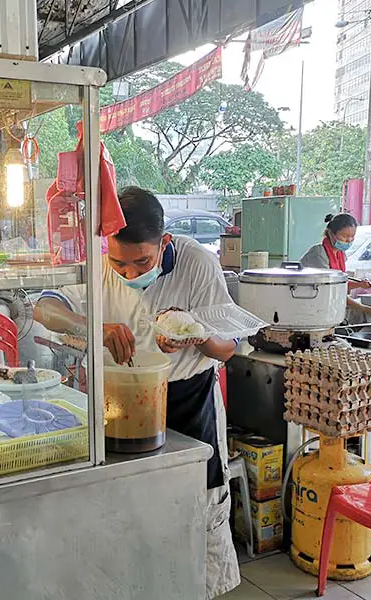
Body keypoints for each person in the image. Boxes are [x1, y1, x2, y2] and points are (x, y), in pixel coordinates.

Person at [34, 187, 241, 599]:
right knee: (131, 509)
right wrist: (91, 327)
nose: (129, 273)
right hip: (122, 404)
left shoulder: (196, 262)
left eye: (142, 262)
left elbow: (228, 346)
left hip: (189, 402)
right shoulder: (100, 263)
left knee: (197, 508)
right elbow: (44, 308)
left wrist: (193, 333)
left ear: (164, 243)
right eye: (119, 263)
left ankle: (199, 588)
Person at [300, 213, 371, 321]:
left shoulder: (340, 254)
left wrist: (359, 285)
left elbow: (340, 284)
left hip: (325, 304)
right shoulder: (318, 254)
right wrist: (363, 308)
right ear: (330, 233)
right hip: (309, 305)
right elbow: (331, 289)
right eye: (344, 236)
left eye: (352, 237)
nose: (349, 240)